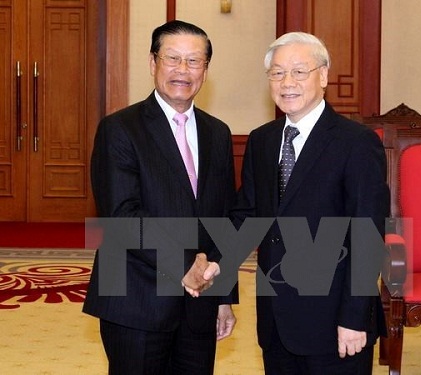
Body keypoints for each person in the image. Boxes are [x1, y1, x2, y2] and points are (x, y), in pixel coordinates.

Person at [83, 20, 237, 375]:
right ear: (153, 63)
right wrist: (185, 266)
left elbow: (224, 220)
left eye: (194, 61)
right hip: (136, 300)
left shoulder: (218, 133)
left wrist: (223, 297)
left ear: (206, 70)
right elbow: (122, 216)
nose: (183, 70)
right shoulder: (119, 128)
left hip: (200, 306)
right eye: (173, 58)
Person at [230, 32, 389, 374]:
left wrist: (354, 317)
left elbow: (367, 237)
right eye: (277, 73)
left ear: (324, 76)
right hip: (276, 320)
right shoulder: (262, 140)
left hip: (336, 323)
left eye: (299, 72)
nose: (287, 82)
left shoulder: (356, 143)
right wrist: (214, 263)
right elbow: (247, 216)